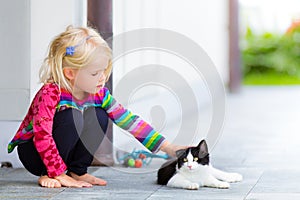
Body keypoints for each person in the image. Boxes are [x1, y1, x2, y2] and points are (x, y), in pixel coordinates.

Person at [7, 26, 185, 188]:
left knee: (100, 114)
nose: (102, 78)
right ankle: (50, 173)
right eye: (95, 73)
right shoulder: (51, 93)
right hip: (34, 154)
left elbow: (128, 120)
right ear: (70, 73)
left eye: (104, 71)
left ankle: (78, 170)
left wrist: (167, 146)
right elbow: (42, 134)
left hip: (62, 154)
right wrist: (56, 173)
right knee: (70, 117)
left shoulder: (99, 94)